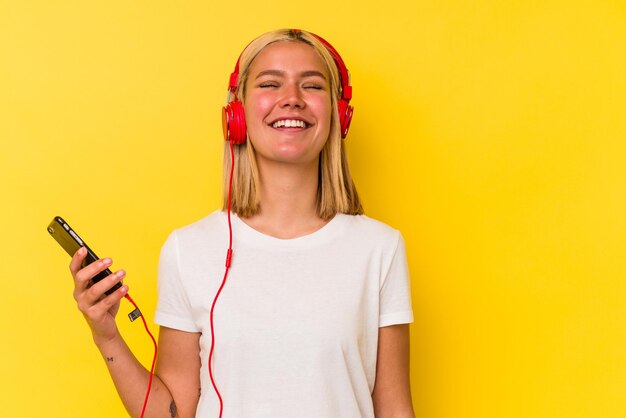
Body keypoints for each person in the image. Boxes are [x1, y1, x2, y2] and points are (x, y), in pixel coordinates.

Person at [70, 28, 414, 418]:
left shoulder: (379, 248)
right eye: (270, 83)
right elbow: (172, 413)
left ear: (339, 115)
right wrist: (107, 336)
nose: (292, 100)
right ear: (237, 114)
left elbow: (395, 410)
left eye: (312, 86)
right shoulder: (188, 249)